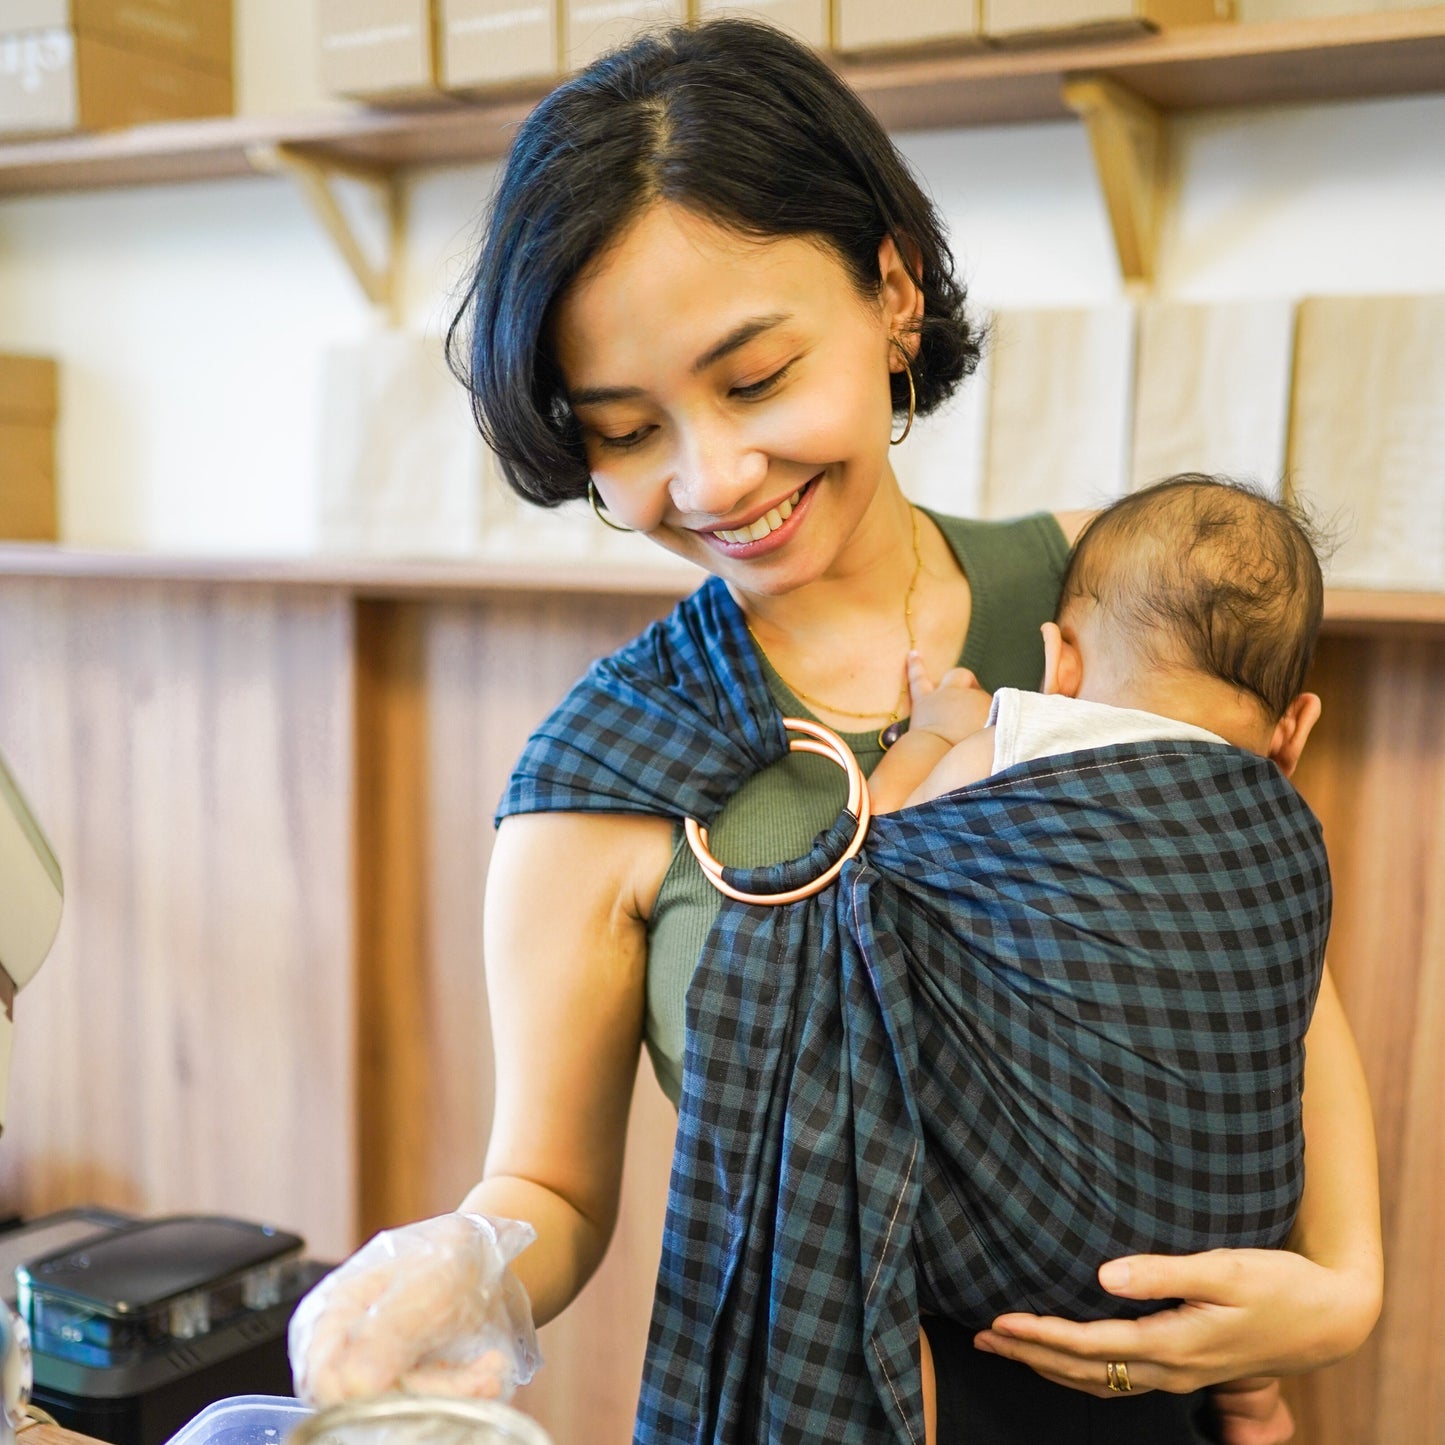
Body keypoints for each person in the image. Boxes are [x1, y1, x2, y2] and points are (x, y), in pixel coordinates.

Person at [289, 18, 1383, 1445]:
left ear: (890, 290)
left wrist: (1344, 1285)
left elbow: (1259, 956)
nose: (711, 476)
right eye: (624, 431)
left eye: (751, 379)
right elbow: (548, 1192)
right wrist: (461, 1264)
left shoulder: (1103, 607)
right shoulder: (602, 776)